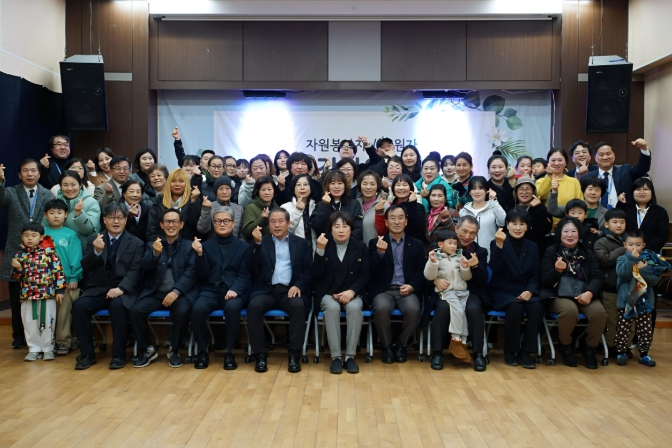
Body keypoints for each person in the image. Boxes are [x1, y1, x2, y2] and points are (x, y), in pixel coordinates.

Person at [71, 203, 145, 370]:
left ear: (126, 220)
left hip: (122, 290)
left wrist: (121, 288)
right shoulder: (94, 239)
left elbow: (135, 271)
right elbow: (86, 266)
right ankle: (87, 354)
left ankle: (118, 355)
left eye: (120, 218)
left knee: (118, 306)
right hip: (98, 289)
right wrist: (96, 251)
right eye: (112, 217)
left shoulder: (136, 243)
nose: (116, 221)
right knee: (79, 306)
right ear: (104, 220)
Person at [247, 208, 313, 373]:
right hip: (266, 290)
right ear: (268, 225)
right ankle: (260, 355)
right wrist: (256, 244)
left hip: (290, 290)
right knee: (254, 306)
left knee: (298, 306)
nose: (276, 225)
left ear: (288, 223)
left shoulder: (301, 243)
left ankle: (294, 355)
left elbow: (308, 270)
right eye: (273, 222)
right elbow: (250, 265)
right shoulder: (262, 241)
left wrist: (298, 285)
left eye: (280, 221)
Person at [129, 209, 197, 368]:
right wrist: (155, 254)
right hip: (155, 292)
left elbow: (192, 272)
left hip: (179, 294)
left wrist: (176, 291)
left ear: (181, 224)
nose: (171, 225)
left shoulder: (190, 246)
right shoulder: (152, 245)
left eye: (174, 221)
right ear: (161, 224)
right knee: (135, 311)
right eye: (167, 221)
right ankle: (147, 349)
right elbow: (144, 268)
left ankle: (174, 349)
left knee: (182, 311)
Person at [0, 159, 55, 349]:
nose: (30, 174)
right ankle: (18, 335)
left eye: (33, 170)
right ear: (19, 174)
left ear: (39, 174)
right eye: (25, 170)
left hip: (41, 255)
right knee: (17, 298)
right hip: (17, 252)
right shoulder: (10, 192)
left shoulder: (47, 194)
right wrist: (0, 181)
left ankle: (41, 336)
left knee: (39, 299)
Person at [423, 215, 490, 371]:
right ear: (457, 228)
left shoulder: (479, 252)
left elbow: (482, 280)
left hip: (470, 292)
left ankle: (478, 354)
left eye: (472, 233)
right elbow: (426, 273)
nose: (467, 236)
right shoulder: (439, 248)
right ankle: (437, 353)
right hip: (444, 291)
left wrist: (475, 266)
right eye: (464, 231)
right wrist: (435, 281)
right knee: (442, 308)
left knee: (473, 309)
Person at [540, 216, 606, 369]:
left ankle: (589, 347)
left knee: (599, 312)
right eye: (566, 231)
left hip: (584, 293)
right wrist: (557, 271)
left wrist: (590, 292)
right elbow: (545, 281)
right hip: (558, 294)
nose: (570, 235)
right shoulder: (551, 252)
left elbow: (597, 277)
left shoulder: (588, 253)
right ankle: (565, 345)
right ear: (559, 234)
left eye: (573, 231)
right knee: (569, 310)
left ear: (579, 233)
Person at [191, 208, 250, 369]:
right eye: (218, 221)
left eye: (226, 221)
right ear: (213, 223)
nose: (222, 224)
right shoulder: (205, 246)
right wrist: (200, 255)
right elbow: (202, 274)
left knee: (232, 309)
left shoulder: (244, 247)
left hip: (234, 290)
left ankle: (229, 352)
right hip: (210, 290)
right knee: (197, 309)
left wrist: (235, 289)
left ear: (233, 223)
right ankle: (202, 352)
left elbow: (245, 274)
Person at [312, 211, 369, 374]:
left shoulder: (360, 247)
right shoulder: (324, 245)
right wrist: (320, 251)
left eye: (345, 226)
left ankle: (350, 356)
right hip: (329, 294)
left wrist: (352, 291)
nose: (341, 230)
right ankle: (336, 357)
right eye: (336, 226)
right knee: (332, 308)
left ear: (351, 228)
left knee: (354, 308)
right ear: (330, 229)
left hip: (353, 294)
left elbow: (365, 275)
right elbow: (316, 275)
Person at [369, 204, 426, 364]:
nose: (396, 222)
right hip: (384, 290)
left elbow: (422, 271)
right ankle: (387, 346)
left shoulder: (417, 244)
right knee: (381, 308)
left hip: (407, 289)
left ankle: (401, 345)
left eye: (400, 218)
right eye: (392, 218)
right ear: (386, 222)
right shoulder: (375, 243)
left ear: (406, 221)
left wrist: (412, 286)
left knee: (414, 310)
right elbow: (371, 272)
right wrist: (380, 254)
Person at [488, 210, 543, 368]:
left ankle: (526, 352)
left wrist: (530, 290)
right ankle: (510, 351)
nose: (517, 227)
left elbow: (536, 274)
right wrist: (499, 245)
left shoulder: (533, 246)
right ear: (507, 225)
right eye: (514, 223)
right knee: (515, 307)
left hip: (525, 290)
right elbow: (495, 268)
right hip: (502, 291)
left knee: (537, 307)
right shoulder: (497, 242)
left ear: (527, 227)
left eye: (522, 224)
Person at [615, 229, 670, 367]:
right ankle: (621, 352)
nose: (634, 248)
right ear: (625, 245)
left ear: (643, 245)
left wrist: (643, 268)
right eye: (630, 244)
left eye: (638, 245)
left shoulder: (649, 260)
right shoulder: (622, 259)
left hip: (645, 302)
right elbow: (624, 275)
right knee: (623, 328)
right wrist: (632, 260)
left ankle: (644, 353)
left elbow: (654, 280)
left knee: (645, 329)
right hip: (626, 301)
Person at [10, 223, 65, 361]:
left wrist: (60, 290)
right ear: (21, 237)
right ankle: (33, 348)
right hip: (27, 294)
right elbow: (16, 277)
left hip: (47, 294)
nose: (30, 238)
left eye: (34, 235)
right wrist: (17, 269)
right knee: (29, 322)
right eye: (26, 235)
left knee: (47, 321)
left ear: (41, 237)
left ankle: (48, 348)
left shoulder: (49, 252)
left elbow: (58, 271)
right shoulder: (20, 254)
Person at [424, 230, 472, 368]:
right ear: (440, 244)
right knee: (458, 310)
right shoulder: (435, 256)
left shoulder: (460, 256)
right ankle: (455, 339)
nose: (453, 246)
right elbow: (429, 276)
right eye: (450, 243)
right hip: (447, 291)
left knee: (463, 313)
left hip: (462, 291)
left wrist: (465, 268)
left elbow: (467, 277)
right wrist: (433, 262)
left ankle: (463, 342)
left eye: (455, 243)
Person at [43, 199, 83, 356]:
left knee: (63, 313)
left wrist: (74, 277)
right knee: (46, 313)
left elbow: (76, 257)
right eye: (51, 213)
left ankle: (63, 341)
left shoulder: (70, 234)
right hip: (44, 282)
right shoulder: (41, 234)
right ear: (45, 215)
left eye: (59, 213)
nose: (55, 216)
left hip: (65, 282)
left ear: (66, 214)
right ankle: (45, 343)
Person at [594, 208, 628, 353]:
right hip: (610, 287)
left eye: (622, 222)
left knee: (627, 318)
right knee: (611, 319)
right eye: (615, 222)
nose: (619, 225)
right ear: (606, 224)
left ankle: (624, 345)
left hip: (628, 287)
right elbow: (604, 261)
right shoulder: (601, 242)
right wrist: (623, 249)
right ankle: (608, 346)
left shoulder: (630, 240)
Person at [582, 138, 652, 207]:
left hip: (622, 212)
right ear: (595, 158)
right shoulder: (586, 178)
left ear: (614, 156)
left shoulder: (625, 171)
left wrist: (644, 149)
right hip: (596, 213)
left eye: (608, 154)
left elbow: (642, 168)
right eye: (601, 154)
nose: (605, 157)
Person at [47, 170, 101, 253]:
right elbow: (45, 228)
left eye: (73, 185)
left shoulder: (91, 202)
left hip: (86, 252)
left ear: (80, 185)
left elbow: (88, 230)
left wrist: (79, 214)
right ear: (60, 186)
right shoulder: (55, 204)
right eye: (65, 185)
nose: (69, 188)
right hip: (60, 253)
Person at [617, 177, 669, 254]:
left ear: (652, 192)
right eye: (638, 189)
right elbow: (616, 227)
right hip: (626, 254)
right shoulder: (624, 209)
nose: (641, 192)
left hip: (650, 254)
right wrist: (620, 204)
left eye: (645, 189)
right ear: (632, 192)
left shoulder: (660, 212)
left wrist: (646, 252)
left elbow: (662, 235)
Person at [459, 176, 506, 258]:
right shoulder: (463, 211)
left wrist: (493, 201)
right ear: (469, 192)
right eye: (473, 188)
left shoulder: (493, 207)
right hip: (467, 257)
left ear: (487, 190)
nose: (477, 192)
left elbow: (503, 222)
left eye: (481, 188)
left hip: (489, 255)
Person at [147, 168, 200, 241]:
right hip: (161, 245)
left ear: (187, 183)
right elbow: (152, 231)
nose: (177, 184)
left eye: (181, 181)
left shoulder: (193, 200)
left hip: (188, 245)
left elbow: (195, 226)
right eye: (173, 181)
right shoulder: (158, 202)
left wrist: (193, 201)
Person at [311, 170, 364, 242]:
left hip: (350, 245)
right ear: (327, 186)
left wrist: (345, 244)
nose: (336, 187)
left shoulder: (354, 204)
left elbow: (358, 229)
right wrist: (325, 206)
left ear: (345, 185)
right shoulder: (320, 205)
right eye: (332, 183)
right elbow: (317, 227)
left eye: (340, 183)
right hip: (327, 245)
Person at [535, 148, 583, 225]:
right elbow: (539, 195)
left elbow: (580, 205)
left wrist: (564, 222)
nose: (556, 163)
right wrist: (549, 177)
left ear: (566, 162)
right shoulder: (541, 181)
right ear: (548, 163)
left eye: (560, 160)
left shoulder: (574, 182)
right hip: (546, 226)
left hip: (570, 226)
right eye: (553, 160)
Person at [375, 174, 427, 244]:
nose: (401, 188)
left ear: (411, 188)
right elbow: (384, 230)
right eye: (398, 185)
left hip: (413, 246)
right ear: (393, 189)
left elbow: (418, 226)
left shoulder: (418, 207)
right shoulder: (390, 207)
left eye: (405, 185)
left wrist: (412, 204)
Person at [512, 176, 552, 259]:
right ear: (516, 192)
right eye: (521, 189)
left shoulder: (541, 208)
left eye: (528, 189)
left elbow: (546, 228)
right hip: (514, 250)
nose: (524, 192)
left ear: (533, 191)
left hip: (535, 251)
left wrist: (538, 208)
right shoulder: (510, 208)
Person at [198, 176, 244, 240]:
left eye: (227, 188)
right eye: (221, 189)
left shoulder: (239, 208)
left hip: (235, 245)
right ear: (216, 192)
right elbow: (202, 230)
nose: (224, 192)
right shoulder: (209, 206)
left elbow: (242, 234)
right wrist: (206, 209)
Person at [281, 173, 316, 247]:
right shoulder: (285, 208)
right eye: (298, 185)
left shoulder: (315, 207)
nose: (302, 188)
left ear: (311, 188)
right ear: (293, 189)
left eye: (305, 184)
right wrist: (298, 211)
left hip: (313, 249)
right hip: (294, 248)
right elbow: (285, 231)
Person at [242, 175, 277, 242]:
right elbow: (246, 232)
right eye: (263, 190)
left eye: (269, 189)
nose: (267, 193)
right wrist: (262, 219)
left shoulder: (277, 208)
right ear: (257, 191)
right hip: (260, 245)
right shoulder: (251, 208)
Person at [425, 184, 459, 252]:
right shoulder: (427, 215)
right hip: (430, 254)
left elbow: (456, 234)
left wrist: (447, 219)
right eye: (433, 195)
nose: (436, 199)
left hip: (444, 254)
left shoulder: (452, 213)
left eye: (440, 196)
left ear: (445, 198)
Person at [357, 170, 383, 245]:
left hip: (375, 248)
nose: (368, 187)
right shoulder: (355, 204)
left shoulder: (384, 205)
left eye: (372, 184)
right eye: (365, 184)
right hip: (355, 249)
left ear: (377, 186)